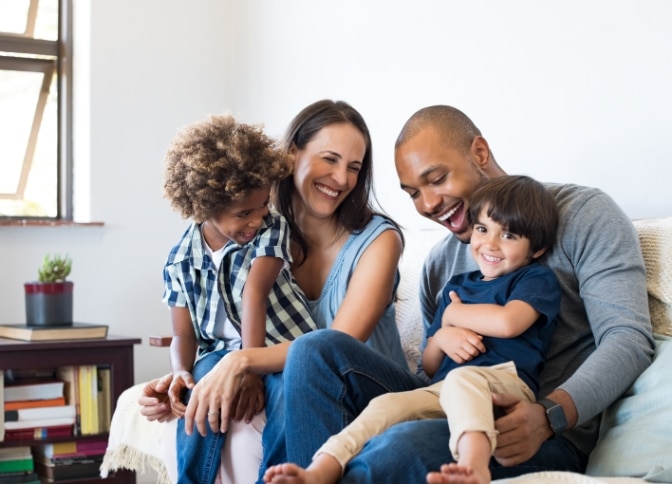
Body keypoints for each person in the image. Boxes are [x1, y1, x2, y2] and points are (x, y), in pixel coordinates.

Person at [276, 105, 655, 483]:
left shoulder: (583, 215)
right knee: (315, 350)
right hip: (449, 402)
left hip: (533, 429)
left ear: (479, 153)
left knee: (398, 447)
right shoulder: (441, 263)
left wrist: (549, 415)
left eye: (437, 179)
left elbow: (628, 339)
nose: (427, 205)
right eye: (413, 194)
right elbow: (432, 369)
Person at [138, 99, 410, 483]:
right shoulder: (255, 230)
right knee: (212, 379)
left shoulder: (378, 241)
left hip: (366, 388)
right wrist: (183, 377)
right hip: (296, 376)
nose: (342, 178)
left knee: (302, 364)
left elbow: (336, 346)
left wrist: (243, 361)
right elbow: (217, 322)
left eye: (354, 167)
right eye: (329, 159)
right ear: (292, 153)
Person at [263, 175, 561, 484]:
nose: (490, 244)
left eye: (509, 236)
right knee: (386, 405)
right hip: (442, 389)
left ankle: (475, 466)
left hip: (505, 386)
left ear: (536, 249)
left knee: (463, 378)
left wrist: (455, 315)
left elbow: (508, 322)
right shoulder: (457, 286)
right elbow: (430, 365)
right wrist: (443, 334)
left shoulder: (534, 279)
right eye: (483, 229)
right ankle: (320, 470)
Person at [161, 114, 318, 483]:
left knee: (286, 396)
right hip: (218, 353)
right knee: (201, 388)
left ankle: (278, 477)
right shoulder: (180, 259)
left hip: (283, 347)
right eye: (243, 213)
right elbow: (183, 334)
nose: (256, 218)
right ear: (204, 207)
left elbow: (254, 293)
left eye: (262, 205)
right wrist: (180, 371)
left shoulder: (271, 227)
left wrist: (249, 367)